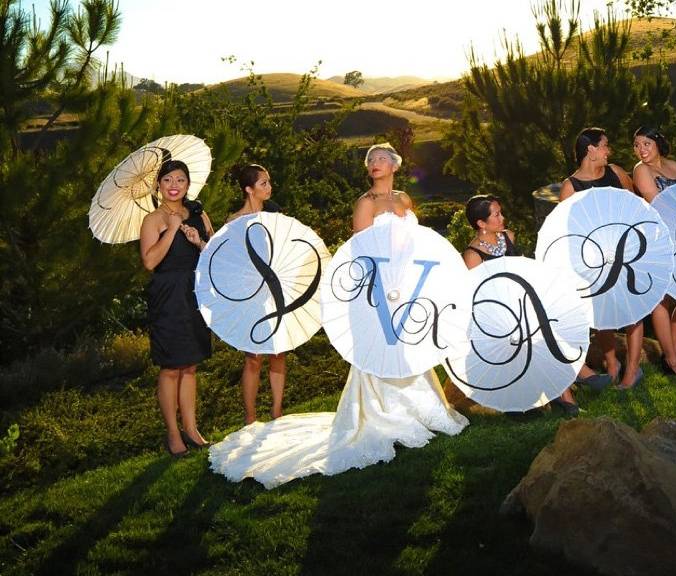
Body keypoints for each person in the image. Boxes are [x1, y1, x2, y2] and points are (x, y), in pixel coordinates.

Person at [208, 143, 468, 488]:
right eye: (371, 160)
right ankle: (379, 413)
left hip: (407, 283)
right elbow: (362, 250)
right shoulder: (366, 203)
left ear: (394, 165)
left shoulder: (404, 200)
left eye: (381, 159)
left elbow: (414, 242)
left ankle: (419, 409)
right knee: (382, 346)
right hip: (377, 285)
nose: (375, 164)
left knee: (410, 344)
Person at [461, 194, 608, 414]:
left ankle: (567, 392)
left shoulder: (509, 236)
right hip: (501, 316)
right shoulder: (473, 255)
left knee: (549, 320)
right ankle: (576, 381)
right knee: (539, 330)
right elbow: (480, 297)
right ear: (481, 223)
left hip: (526, 302)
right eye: (496, 214)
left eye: (501, 212)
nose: (503, 217)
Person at [140, 159, 215, 457]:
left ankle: (192, 428)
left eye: (180, 180)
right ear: (159, 184)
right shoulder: (152, 220)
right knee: (171, 367)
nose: (174, 185)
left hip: (195, 292)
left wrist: (199, 243)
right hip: (168, 295)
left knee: (191, 364)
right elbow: (149, 262)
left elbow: (216, 253)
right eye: (168, 179)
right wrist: (170, 230)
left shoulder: (198, 214)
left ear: (187, 184)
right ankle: (173, 433)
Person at [559, 127, 644, 390]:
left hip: (626, 252)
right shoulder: (570, 187)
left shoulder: (616, 173)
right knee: (601, 314)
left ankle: (632, 368)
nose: (610, 150)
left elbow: (636, 207)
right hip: (594, 260)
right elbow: (568, 231)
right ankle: (612, 364)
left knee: (634, 311)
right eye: (605, 145)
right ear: (591, 150)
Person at [225, 164, 287, 424]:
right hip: (249, 294)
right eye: (263, 183)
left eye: (269, 182)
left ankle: (277, 411)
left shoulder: (275, 214)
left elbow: (284, 247)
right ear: (248, 189)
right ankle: (250, 417)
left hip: (276, 290)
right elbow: (228, 262)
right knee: (253, 357)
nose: (269, 187)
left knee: (278, 353)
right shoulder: (233, 222)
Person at [632, 126, 676, 377]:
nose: (641, 150)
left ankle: (671, 351)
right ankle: (674, 359)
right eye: (636, 145)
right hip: (659, 237)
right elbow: (659, 204)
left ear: (657, 143)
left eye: (646, 143)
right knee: (662, 299)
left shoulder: (674, 166)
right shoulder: (640, 170)